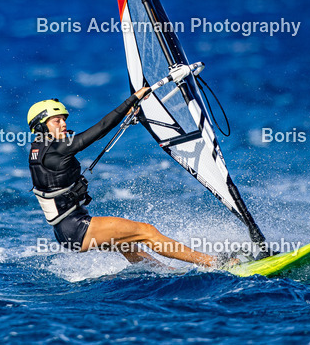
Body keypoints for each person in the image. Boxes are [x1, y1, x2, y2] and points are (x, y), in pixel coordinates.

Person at [27, 91, 219, 267]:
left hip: (65, 232)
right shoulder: (56, 149)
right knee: (146, 232)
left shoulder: (38, 149)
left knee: (127, 245)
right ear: (41, 126)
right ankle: (214, 262)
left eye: (63, 120)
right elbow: (100, 129)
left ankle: (164, 272)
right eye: (56, 121)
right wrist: (132, 99)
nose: (63, 124)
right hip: (76, 228)